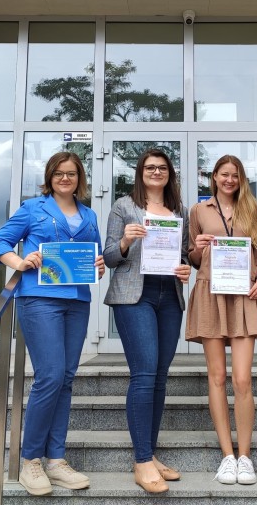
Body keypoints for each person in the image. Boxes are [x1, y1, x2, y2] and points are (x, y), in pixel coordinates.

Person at [0, 151, 105, 496]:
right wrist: (21, 261)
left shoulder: (89, 214)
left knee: (66, 378)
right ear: (50, 176)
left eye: (71, 174)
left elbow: (92, 255)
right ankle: (31, 461)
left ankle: (56, 460)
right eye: (59, 173)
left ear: (79, 178)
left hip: (77, 301)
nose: (65, 179)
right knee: (51, 375)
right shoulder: (32, 208)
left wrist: (97, 266)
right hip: (39, 299)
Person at [103, 148, 191, 494]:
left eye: (162, 168)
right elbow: (110, 256)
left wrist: (185, 268)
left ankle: (149, 455)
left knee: (159, 378)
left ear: (170, 174)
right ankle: (141, 461)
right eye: (150, 167)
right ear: (140, 172)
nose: (156, 172)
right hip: (133, 296)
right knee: (143, 374)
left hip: (168, 295)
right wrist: (125, 240)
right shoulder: (123, 206)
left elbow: (182, 254)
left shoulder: (179, 210)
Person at [186, 155, 257, 486]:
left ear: (240, 178)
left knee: (242, 379)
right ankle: (227, 456)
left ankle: (245, 456)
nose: (229, 179)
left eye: (235, 175)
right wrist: (199, 248)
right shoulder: (198, 210)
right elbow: (190, 256)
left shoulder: (252, 208)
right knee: (217, 377)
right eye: (224, 174)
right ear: (214, 177)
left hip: (243, 295)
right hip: (210, 293)